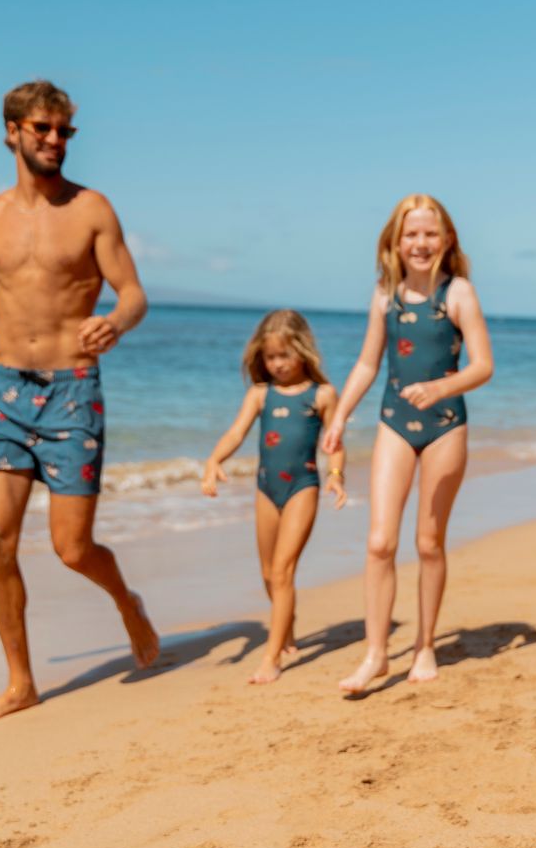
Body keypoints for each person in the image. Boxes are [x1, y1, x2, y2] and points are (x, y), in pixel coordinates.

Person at [0, 79, 159, 725]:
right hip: (4, 391)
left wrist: (115, 322)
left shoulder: (92, 209)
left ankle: (126, 600)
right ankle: (21, 683)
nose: (54, 140)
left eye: (63, 130)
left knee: (73, 549)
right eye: (42, 128)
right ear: (12, 132)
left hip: (73, 390)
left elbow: (133, 294)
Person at [323, 195, 493, 692]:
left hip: (446, 425)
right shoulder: (384, 295)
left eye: (429, 234)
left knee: (428, 543)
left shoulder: (458, 293)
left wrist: (441, 387)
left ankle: (424, 646)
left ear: (447, 240)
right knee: (380, 543)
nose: (420, 243)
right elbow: (367, 363)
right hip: (394, 423)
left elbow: (483, 365)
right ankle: (376, 654)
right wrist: (340, 415)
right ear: (395, 243)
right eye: (411, 234)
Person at [202, 310, 346, 684]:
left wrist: (335, 476)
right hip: (266, 488)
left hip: (302, 487)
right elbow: (236, 433)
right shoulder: (260, 394)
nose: (277, 363)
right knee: (268, 573)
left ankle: (272, 657)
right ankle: (287, 621)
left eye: (284, 355)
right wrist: (215, 460)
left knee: (282, 572)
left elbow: (335, 443)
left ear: (303, 350)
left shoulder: (322, 395)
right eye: (270, 357)